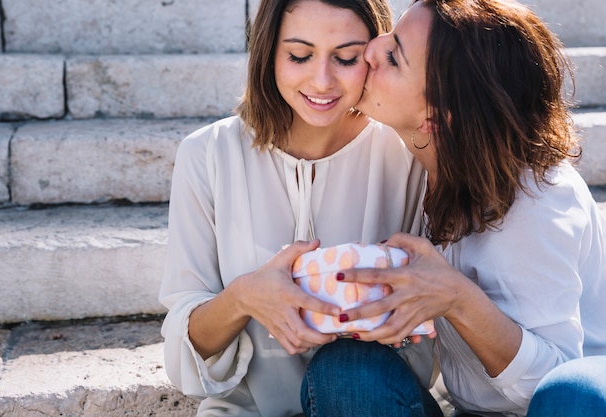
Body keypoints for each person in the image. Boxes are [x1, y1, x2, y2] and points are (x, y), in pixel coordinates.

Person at [305, 0, 606, 415]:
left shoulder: (539, 199)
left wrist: (458, 299)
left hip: (566, 405)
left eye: (393, 56)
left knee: (574, 390)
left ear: (438, 115)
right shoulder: (413, 168)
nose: (371, 49)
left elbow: (558, 386)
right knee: (345, 372)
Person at [158, 0, 432, 416]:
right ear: (268, 52)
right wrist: (244, 298)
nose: (321, 81)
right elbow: (186, 349)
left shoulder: (407, 155)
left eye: (346, 58)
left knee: (347, 374)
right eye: (299, 55)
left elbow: (429, 342)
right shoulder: (207, 154)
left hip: (366, 400)